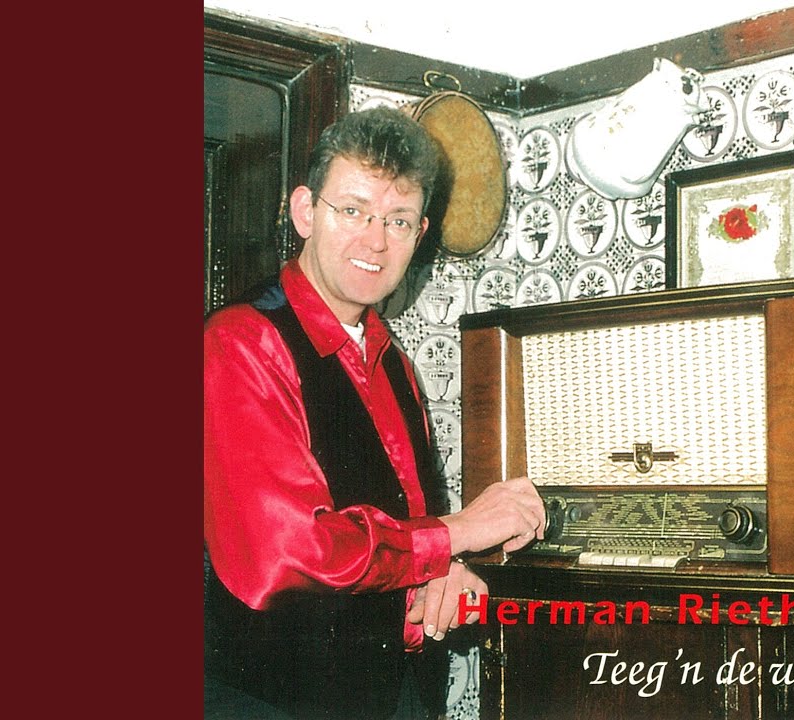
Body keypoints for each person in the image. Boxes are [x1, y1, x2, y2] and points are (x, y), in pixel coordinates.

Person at [204, 106, 546, 720]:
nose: (376, 240)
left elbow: (402, 533)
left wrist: (442, 572)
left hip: (395, 694)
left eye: (398, 220)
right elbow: (289, 553)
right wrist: (459, 532)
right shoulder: (241, 342)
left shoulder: (393, 361)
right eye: (353, 210)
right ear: (305, 211)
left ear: (420, 234)